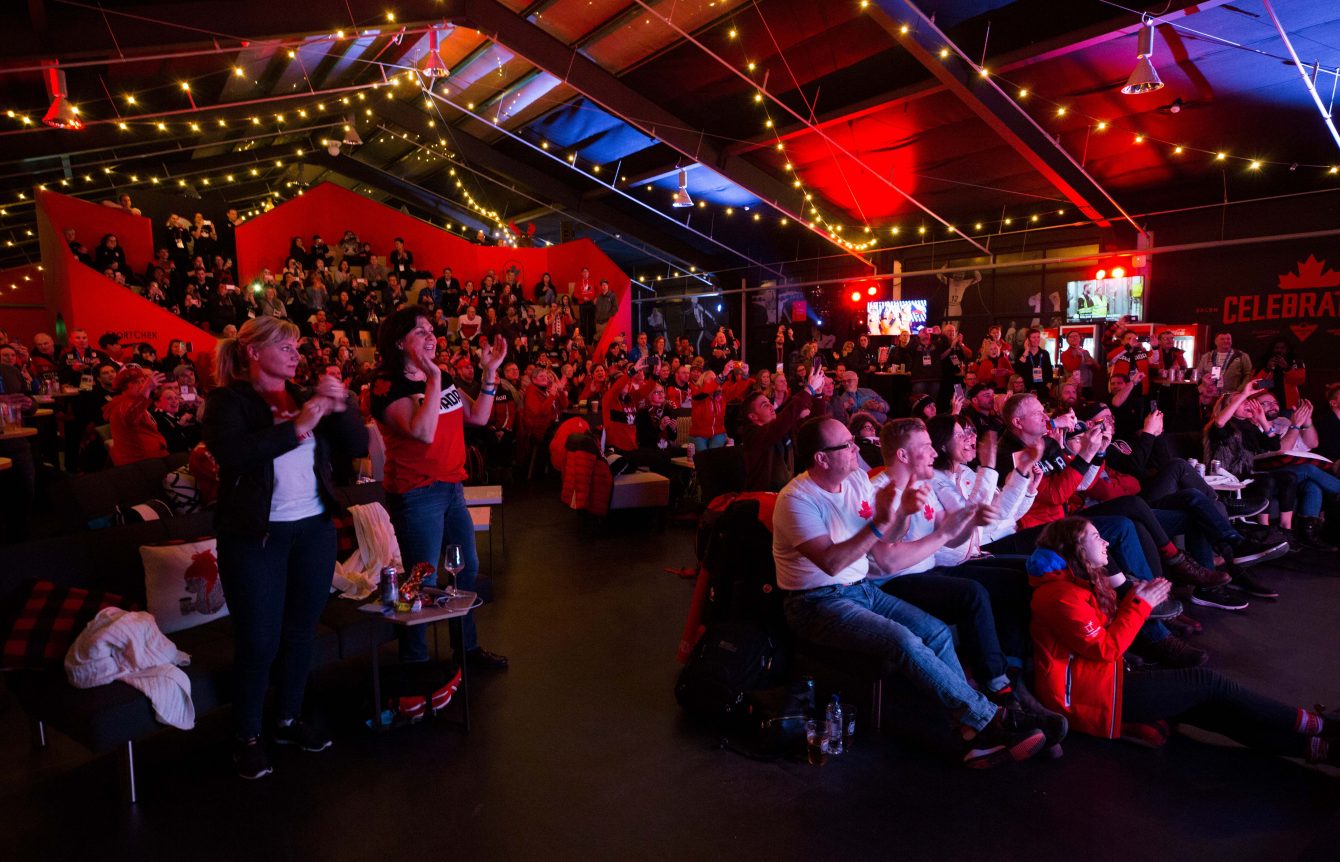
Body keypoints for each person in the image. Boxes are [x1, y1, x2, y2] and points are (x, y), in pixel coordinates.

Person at [773, 416, 1053, 768]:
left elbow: (887, 540)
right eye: (846, 444)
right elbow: (832, 561)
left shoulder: (856, 480)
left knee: (935, 631)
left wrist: (901, 513)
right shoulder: (797, 500)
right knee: (904, 641)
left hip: (860, 590)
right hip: (815, 602)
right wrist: (883, 520)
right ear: (821, 459)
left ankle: (972, 736)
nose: (857, 447)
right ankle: (991, 718)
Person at [1027, 517, 1340, 765]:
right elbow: (1106, 649)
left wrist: (1136, 601)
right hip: (1089, 696)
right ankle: (1320, 724)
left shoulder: (1078, 584)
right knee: (1207, 683)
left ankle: (1323, 750)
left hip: (1105, 680)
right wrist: (1139, 604)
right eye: (1096, 537)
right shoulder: (1059, 596)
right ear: (1075, 548)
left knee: (1216, 714)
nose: (1105, 541)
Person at [202, 316, 367, 780]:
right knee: (259, 640)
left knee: (300, 633)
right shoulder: (228, 401)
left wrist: (340, 402)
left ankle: (288, 720)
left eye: (297, 346)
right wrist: (302, 422)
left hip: (311, 529)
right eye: (286, 346)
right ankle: (247, 737)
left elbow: (353, 443)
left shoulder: (301, 398)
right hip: (255, 537)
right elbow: (235, 455)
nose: (297, 354)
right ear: (253, 353)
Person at [370, 308, 510, 670]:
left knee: (465, 568)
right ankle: (415, 661)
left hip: (451, 488)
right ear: (400, 341)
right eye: (421, 332)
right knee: (422, 577)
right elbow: (423, 431)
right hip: (416, 495)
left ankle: (467, 650)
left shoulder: (441, 375)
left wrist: (490, 373)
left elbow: (478, 416)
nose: (431, 337)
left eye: (432, 330)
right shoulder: (385, 386)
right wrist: (432, 379)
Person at [739, 364, 820, 492]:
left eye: (770, 403)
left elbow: (814, 423)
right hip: (762, 498)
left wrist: (818, 395)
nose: (771, 407)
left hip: (786, 492)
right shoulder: (753, 435)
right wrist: (809, 389)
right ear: (753, 416)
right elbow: (781, 422)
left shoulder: (782, 429)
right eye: (765, 405)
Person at [103, 366, 169, 466]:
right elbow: (131, 417)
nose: (141, 385)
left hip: (151, 456)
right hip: (141, 462)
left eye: (143, 381)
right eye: (135, 382)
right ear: (124, 388)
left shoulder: (135, 401)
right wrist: (147, 388)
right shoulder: (122, 404)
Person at [1196, 331, 1252, 397]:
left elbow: (1248, 375)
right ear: (1216, 342)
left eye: (1228, 339)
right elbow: (1198, 374)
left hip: (1231, 396)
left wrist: (1240, 391)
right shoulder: (1206, 356)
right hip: (1209, 395)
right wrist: (1201, 388)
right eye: (1222, 339)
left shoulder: (1242, 356)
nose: (1226, 341)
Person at [1013, 329, 1053, 397]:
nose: (1036, 339)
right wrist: (1026, 351)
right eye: (1034, 337)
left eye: (1038, 337)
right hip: (1025, 388)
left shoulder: (1044, 353)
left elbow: (1049, 371)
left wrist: (1048, 386)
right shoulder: (1021, 352)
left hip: (1042, 388)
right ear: (1028, 339)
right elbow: (1017, 369)